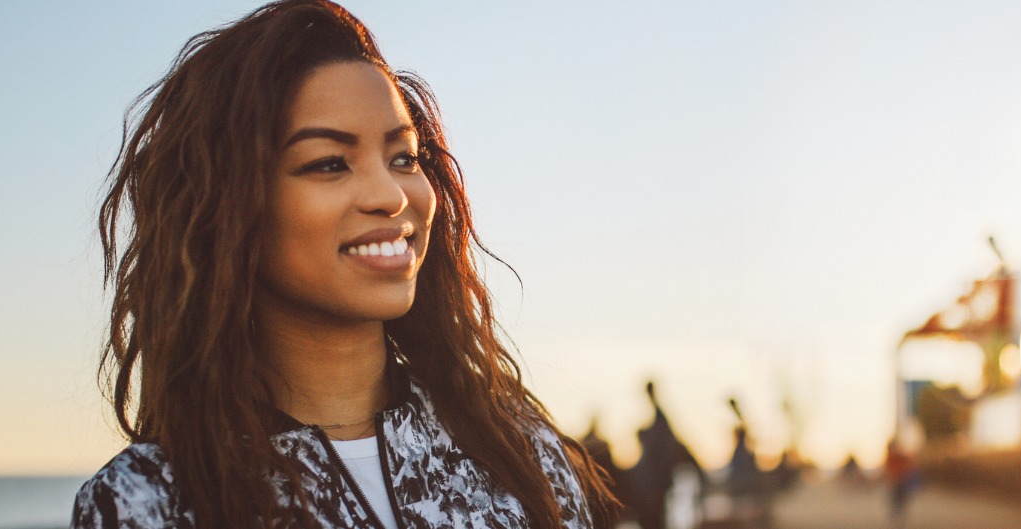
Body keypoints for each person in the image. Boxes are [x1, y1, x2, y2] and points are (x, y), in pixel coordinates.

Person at [70, 2, 616, 528]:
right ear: (226, 207)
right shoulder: (148, 502)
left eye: (403, 158)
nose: (391, 195)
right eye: (330, 163)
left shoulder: (523, 455)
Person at [630, 380, 703, 529]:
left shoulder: (660, 428)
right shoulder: (657, 428)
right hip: (653, 488)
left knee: (657, 519)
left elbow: (663, 433)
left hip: (657, 486)